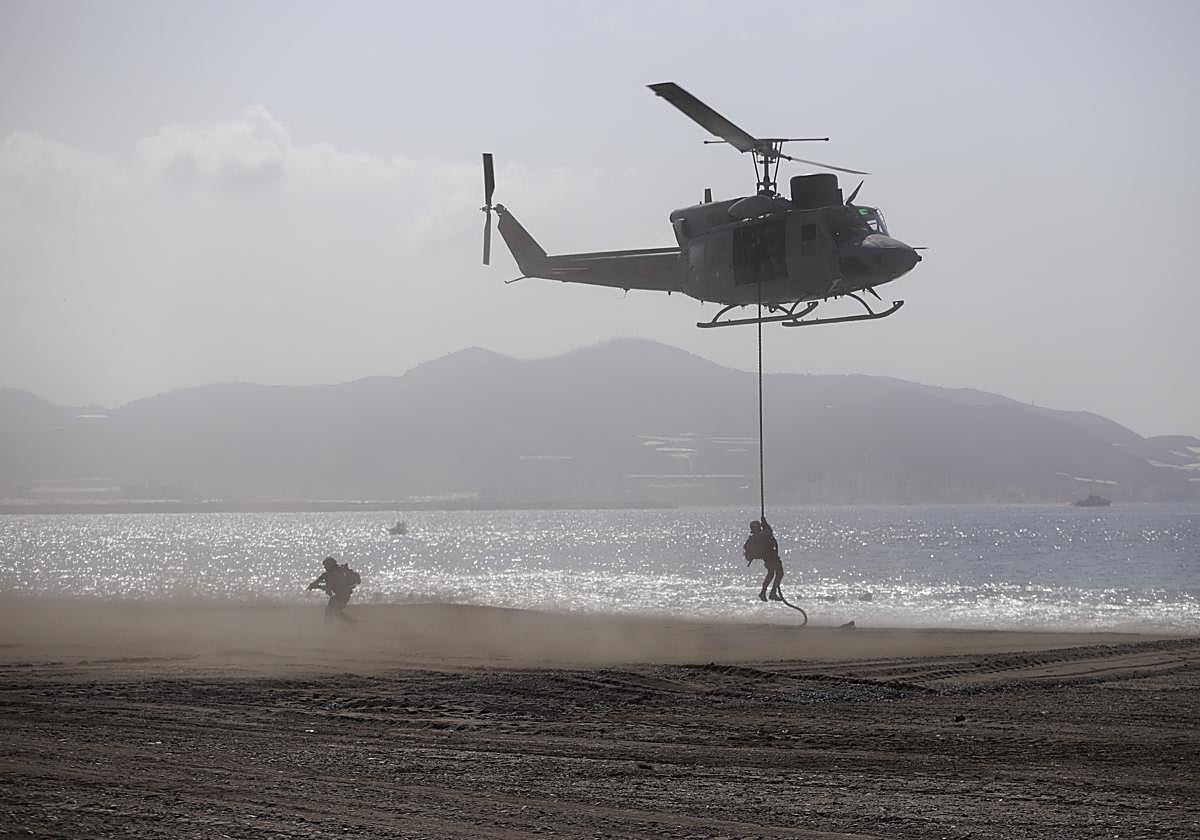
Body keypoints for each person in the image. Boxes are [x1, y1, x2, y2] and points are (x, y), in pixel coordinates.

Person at [307, 556, 360, 623]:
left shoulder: (335, 574)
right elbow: (319, 580)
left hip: (343, 596)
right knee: (331, 610)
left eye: (326, 565)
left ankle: (350, 623)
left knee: (333, 611)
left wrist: (317, 586)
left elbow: (328, 587)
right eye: (325, 566)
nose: (325, 567)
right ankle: (349, 623)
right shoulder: (328, 574)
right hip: (338, 596)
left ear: (330, 565)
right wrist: (313, 584)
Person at [743, 518, 784, 602]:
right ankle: (771, 592)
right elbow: (769, 531)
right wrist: (764, 522)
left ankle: (765, 592)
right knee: (778, 573)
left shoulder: (756, 537)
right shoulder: (760, 536)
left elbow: (768, 531)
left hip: (771, 557)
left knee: (772, 574)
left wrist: (764, 522)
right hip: (770, 558)